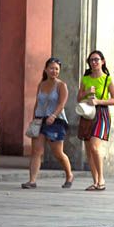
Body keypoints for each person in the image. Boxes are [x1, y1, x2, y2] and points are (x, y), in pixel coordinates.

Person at [22, 58, 73, 189]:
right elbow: (37, 103)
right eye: (51, 68)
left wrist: (54, 115)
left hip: (56, 121)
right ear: (46, 69)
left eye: (56, 69)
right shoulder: (41, 84)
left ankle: (69, 175)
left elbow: (62, 104)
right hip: (40, 120)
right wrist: (34, 118)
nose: (54, 71)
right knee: (36, 151)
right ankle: (32, 180)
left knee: (58, 153)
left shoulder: (61, 85)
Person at [78, 50, 114, 191]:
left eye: (96, 59)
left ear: (103, 61)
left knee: (95, 146)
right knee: (89, 150)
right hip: (87, 114)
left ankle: (101, 179)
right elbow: (78, 98)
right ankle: (95, 181)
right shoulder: (86, 78)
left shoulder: (107, 79)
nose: (94, 62)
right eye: (91, 60)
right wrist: (87, 93)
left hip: (101, 114)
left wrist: (98, 101)